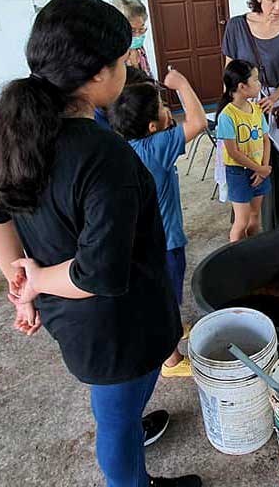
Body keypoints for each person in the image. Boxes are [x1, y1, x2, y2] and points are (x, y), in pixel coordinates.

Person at [0, 0, 201, 487]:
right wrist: (30, 284)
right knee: (116, 422)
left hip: (73, 317)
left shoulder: (17, 129)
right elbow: (97, 273)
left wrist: (22, 282)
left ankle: (137, 469)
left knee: (120, 411)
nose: (128, 67)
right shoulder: (103, 155)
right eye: (123, 59)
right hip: (115, 323)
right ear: (98, 73)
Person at [108, 68, 208, 378]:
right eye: (164, 108)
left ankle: (173, 329)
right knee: (163, 299)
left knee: (162, 293)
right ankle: (171, 360)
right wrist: (182, 83)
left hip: (147, 240)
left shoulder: (124, 146)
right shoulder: (156, 149)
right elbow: (199, 122)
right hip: (166, 241)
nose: (169, 111)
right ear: (154, 126)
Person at [222, 0, 279, 230]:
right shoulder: (237, 26)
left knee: (273, 165)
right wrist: (238, 106)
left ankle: (277, 228)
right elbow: (229, 71)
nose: (278, 8)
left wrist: (273, 99)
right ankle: (244, 226)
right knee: (243, 163)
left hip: (273, 108)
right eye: (272, 1)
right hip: (242, 108)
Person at [217, 60, 271, 242]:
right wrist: (260, 169)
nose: (259, 83)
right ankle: (233, 256)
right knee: (242, 220)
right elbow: (233, 152)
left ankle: (253, 250)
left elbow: (266, 139)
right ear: (242, 86)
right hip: (238, 172)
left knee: (255, 216)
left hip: (259, 171)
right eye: (255, 80)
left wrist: (264, 168)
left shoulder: (256, 109)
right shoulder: (227, 115)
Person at [112, 0, 153, 76]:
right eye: (132, 31)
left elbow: (147, 74)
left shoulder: (139, 49)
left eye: (141, 29)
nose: (138, 35)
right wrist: (134, 65)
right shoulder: (114, 55)